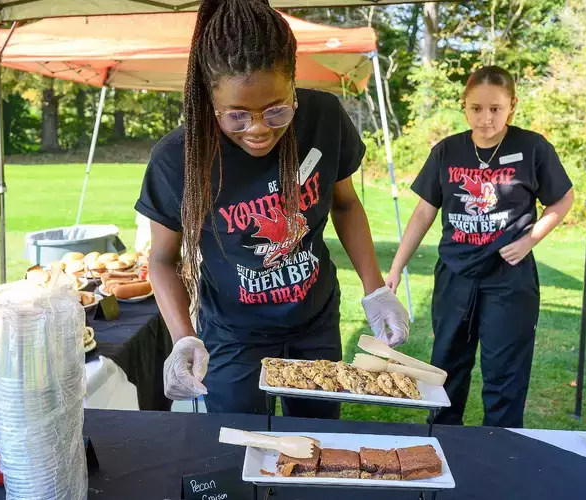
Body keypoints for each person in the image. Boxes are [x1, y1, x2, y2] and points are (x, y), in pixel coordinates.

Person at [135, 0, 409, 417]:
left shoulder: (323, 119)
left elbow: (346, 204)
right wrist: (184, 338)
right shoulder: (178, 158)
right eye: (237, 117)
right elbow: (161, 259)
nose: (259, 129)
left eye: (277, 110)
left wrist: (376, 290)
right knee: (239, 442)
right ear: (210, 99)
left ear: (294, 86)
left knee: (317, 437)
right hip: (233, 334)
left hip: (314, 320)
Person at [385, 66, 574, 428]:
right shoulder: (447, 151)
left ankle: (500, 450)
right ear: (464, 105)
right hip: (456, 275)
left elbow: (563, 199)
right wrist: (396, 267)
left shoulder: (532, 147)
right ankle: (442, 441)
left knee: (505, 373)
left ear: (512, 106)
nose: (486, 119)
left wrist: (530, 240)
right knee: (446, 368)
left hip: (509, 278)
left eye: (495, 109)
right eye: (476, 108)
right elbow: (424, 211)